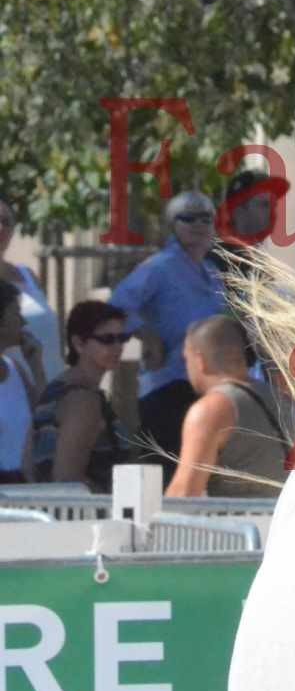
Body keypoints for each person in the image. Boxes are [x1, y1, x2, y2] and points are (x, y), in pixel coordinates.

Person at [109, 191, 228, 478]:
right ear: (171, 225)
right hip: (167, 386)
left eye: (205, 217)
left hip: (207, 387)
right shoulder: (159, 267)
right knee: (164, 475)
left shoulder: (213, 272)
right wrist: (146, 334)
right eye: (187, 218)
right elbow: (117, 304)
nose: (198, 224)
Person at [166, 315, 286, 498]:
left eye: (186, 359)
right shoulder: (283, 400)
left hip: (244, 524)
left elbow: (184, 493)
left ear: (199, 360)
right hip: (288, 521)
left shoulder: (211, 409)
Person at [32, 301, 130, 492]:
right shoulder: (82, 399)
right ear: (78, 343)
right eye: (107, 339)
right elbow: (67, 480)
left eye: (122, 337)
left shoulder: (59, 388)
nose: (118, 346)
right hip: (84, 517)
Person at [0, 198, 63, 381]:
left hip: (52, 385)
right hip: (13, 392)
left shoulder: (27, 275)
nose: (1, 227)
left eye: (6, 222)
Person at [0, 281, 39, 481]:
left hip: (22, 489)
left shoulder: (16, 369)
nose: (23, 322)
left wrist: (36, 363)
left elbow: (43, 419)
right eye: (16, 313)